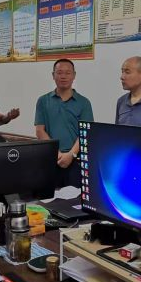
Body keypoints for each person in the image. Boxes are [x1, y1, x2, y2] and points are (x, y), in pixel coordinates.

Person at [35, 59, 93, 188]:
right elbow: (40, 131)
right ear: (53, 75)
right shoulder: (43, 101)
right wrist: (56, 153)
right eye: (59, 72)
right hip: (51, 159)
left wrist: (71, 155)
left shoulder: (84, 102)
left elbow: (85, 133)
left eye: (68, 73)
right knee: (49, 197)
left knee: (76, 198)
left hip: (76, 161)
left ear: (74, 75)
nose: (63, 76)